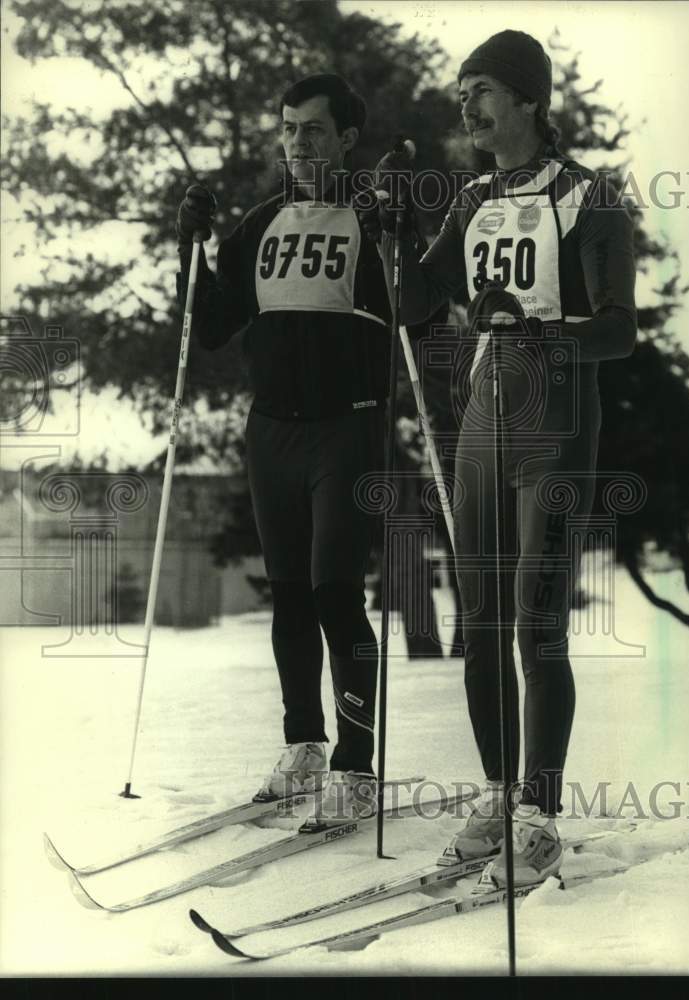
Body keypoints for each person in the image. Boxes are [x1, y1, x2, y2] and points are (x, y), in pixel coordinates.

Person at [370, 30, 637, 885]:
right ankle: (496, 794)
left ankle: (538, 813)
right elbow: (414, 299)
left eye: (481, 88)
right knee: (478, 622)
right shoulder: (473, 199)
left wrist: (536, 330)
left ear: (527, 98)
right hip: (483, 424)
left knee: (535, 621)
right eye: (459, 91)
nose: (466, 105)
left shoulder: (587, 197)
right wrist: (393, 229)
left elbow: (619, 328)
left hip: (555, 421)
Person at [175, 74, 393, 829]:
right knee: (291, 593)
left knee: (336, 590)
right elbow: (207, 328)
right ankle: (304, 743)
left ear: (345, 140)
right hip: (272, 431)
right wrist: (193, 250)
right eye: (288, 127)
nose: (296, 142)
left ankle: (356, 766)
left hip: (349, 425)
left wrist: (396, 229)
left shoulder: (370, 215)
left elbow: (416, 310)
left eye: (312, 129)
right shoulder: (262, 221)